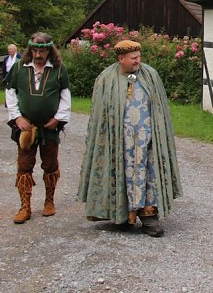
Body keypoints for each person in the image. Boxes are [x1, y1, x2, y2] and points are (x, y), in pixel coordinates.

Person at [78, 39, 181, 237]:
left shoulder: (150, 75)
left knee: (149, 173)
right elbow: (100, 115)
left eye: (139, 57)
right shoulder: (106, 79)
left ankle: (149, 217)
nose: (137, 61)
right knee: (119, 172)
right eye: (133, 58)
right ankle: (121, 214)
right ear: (121, 58)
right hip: (118, 141)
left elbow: (160, 108)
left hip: (147, 140)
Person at [4, 32, 71, 224]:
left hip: (49, 127)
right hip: (26, 128)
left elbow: (65, 96)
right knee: (24, 165)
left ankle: (49, 202)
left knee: (50, 164)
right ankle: (25, 206)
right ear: (30, 50)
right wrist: (17, 117)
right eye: (35, 49)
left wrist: (58, 118)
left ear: (49, 50)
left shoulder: (58, 69)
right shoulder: (19, 68)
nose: (38, 54)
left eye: (42, 50)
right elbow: (10, 93)